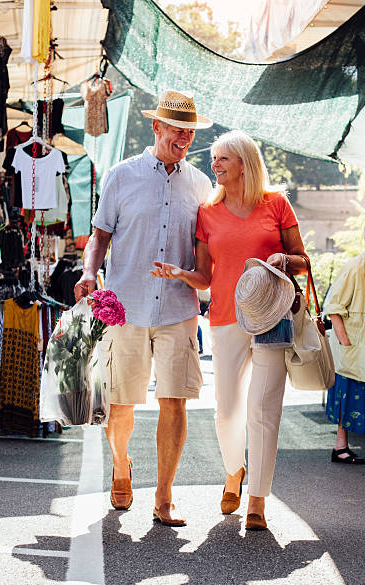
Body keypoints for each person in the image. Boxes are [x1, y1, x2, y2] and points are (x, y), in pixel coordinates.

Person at [151, 130, 308, 530]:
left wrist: (284, 259)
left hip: (271, 317)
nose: (215, 164)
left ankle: (257, 499)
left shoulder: (276, 204)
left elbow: (303, 260)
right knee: (227, 412)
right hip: (224, 319)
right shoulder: (208, 211)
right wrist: (179, 273)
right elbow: (204, 277)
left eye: (223, 159)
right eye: (215, 158)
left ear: (244, 164)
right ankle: (234, 470)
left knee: (263, 409)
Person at [74, 90, 212, 526]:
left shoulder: (201, 185)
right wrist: (87, 274)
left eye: (189, 130)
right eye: (177, 128)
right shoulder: (120, 175)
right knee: (121, 404)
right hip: (127, 306)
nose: (184, 137)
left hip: (177, 309)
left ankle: (165, 496)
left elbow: (204, 251)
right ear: (156, 127)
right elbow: (99, 236)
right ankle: (121, 468)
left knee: (175, 402)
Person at [323, 250, 365, 464]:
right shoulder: (354, 267)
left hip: (358, 347)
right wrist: (346, 343)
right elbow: (333, 308)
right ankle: (340, 448)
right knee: (348, 394)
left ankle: (341, 448)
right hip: (353, 348)